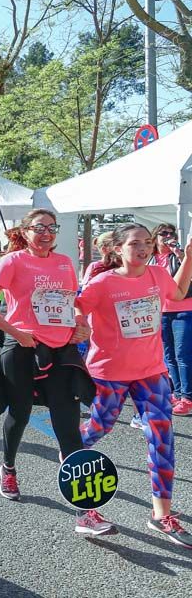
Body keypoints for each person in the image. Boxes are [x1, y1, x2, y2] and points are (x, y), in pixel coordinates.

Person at [0, 210, 108, 536]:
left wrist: (81, 323)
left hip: (60, 351)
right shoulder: (13, 261)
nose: (46, 233)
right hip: (22, 348)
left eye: (51, 227)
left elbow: (72, 303)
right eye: (39, 228)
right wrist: (16, 332)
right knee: (18, 414)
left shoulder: (63, 263)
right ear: (27, 231)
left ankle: (86, 511)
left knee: (68, 424)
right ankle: (8, 467)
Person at [75, 223, 192, 546]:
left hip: (151, 372)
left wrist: (190, 258)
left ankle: (161, 515)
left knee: (162, 439)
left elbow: (178, 294)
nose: (144, 248)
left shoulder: (156, 275)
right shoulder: (102, 282)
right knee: (95, 432)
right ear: (117, 248)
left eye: (148, 243)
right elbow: (77, 308)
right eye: (135, 243)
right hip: (109, 373)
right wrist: (80, 324)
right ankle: (75, 474)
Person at [151, 223, 192, 416]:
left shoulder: (179, 256)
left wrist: (182, 255)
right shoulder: (151, 259)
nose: (168, 236)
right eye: (163, 233)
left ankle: (188, 397)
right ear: (155, 237)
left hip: (184, 310)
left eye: (171, 233)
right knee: (169, 356)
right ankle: (176, 393)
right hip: (161, 312)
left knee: (183, 355)